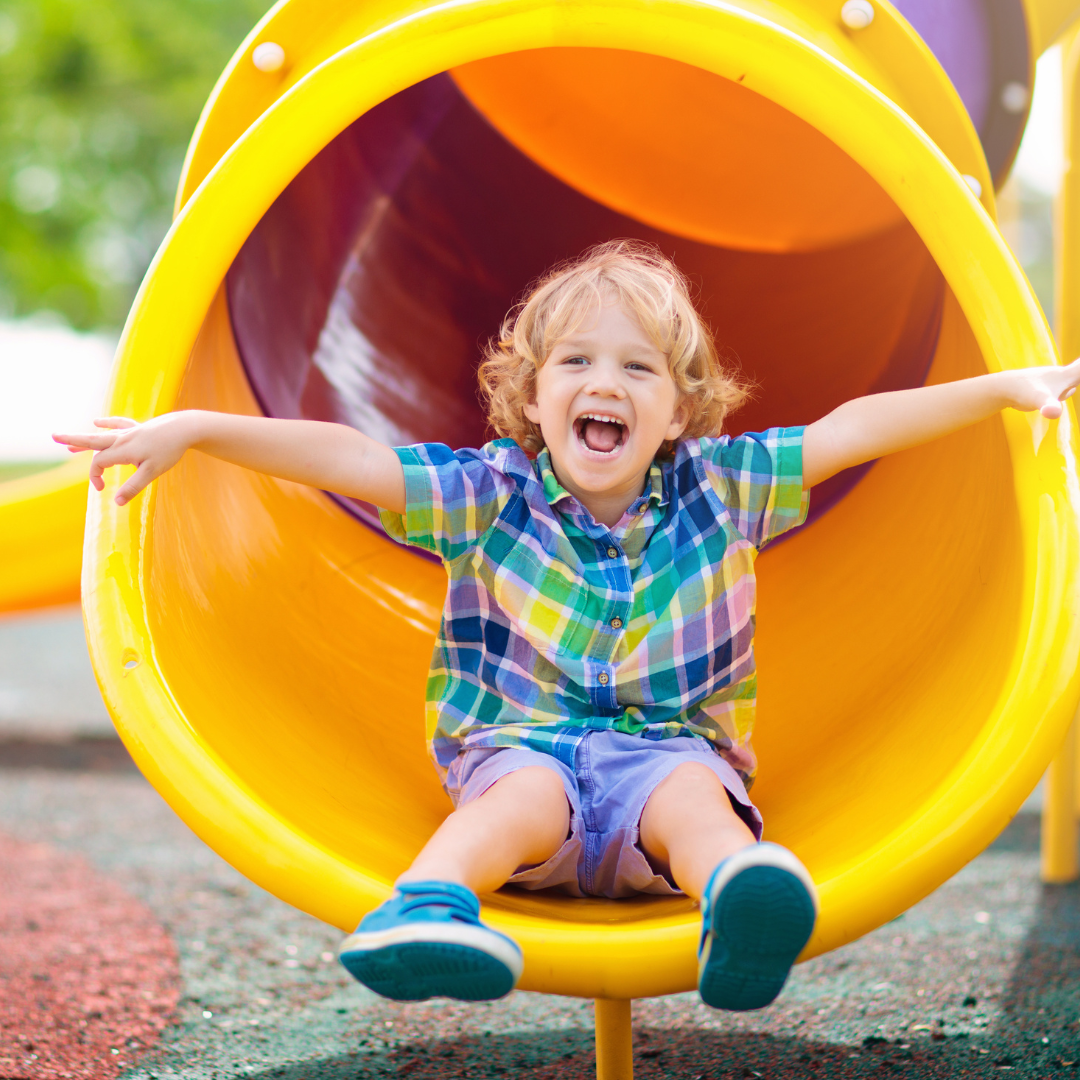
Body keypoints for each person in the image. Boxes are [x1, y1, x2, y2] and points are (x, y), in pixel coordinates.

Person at [55, 241, 1080, 1013]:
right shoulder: (485, 492)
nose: (607, 383)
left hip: (664, 758)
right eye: (578, 363)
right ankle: (430, 909)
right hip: (519, 755)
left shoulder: (722, 487)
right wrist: (195, 430)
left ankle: (740, 898)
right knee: (521, 795)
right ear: (531, 398)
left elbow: (848, 432)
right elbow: (346, 456)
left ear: (680, 411)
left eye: (640, 371)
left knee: (691, 798)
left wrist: (1001, 389)